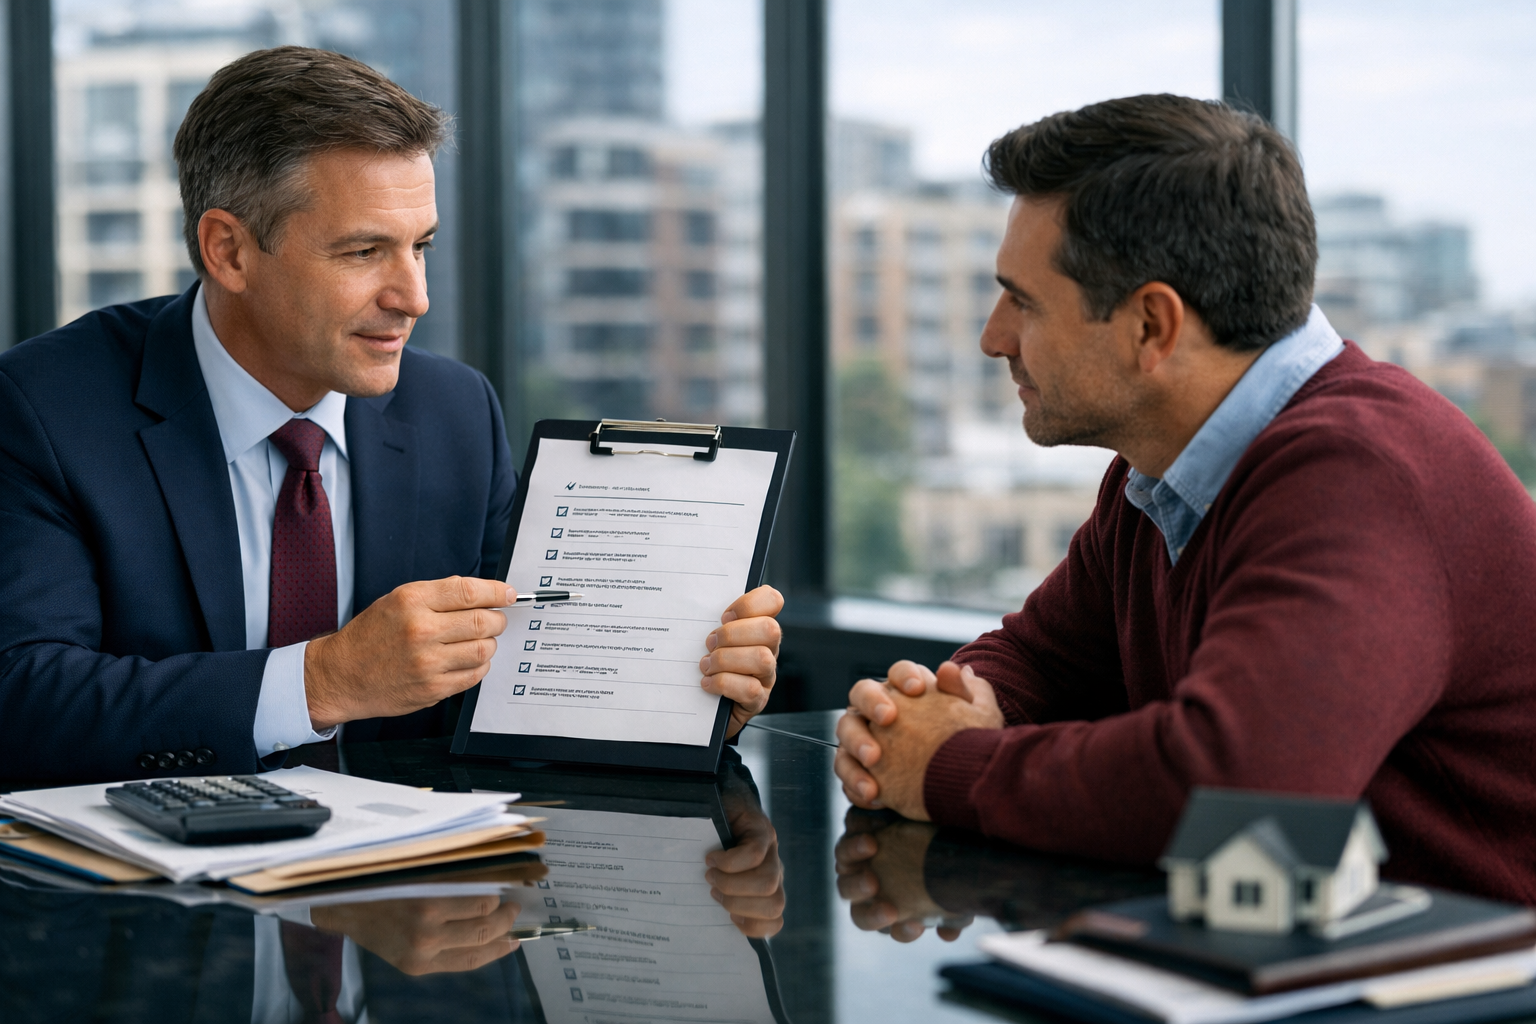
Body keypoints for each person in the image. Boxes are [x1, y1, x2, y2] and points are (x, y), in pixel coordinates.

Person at [0, 45, 781, 783]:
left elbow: (515, 681)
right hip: (151, 912)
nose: (414, 298)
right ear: (229, 251)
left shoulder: (455, 412)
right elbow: (23, 698)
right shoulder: (45, 409)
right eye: (364, 252)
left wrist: (687, 693)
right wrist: (324, 679)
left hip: (399, 906)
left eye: (422, 247)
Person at [833, 94, 1536, 904]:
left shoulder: (1354, 471)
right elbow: (1042, 662)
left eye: (1023, 301)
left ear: (1151, 327)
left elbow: (1245, 788)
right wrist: (927, 715)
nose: (994, 337)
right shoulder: (1162, 472)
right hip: (1301, 957)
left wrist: (949, 766)